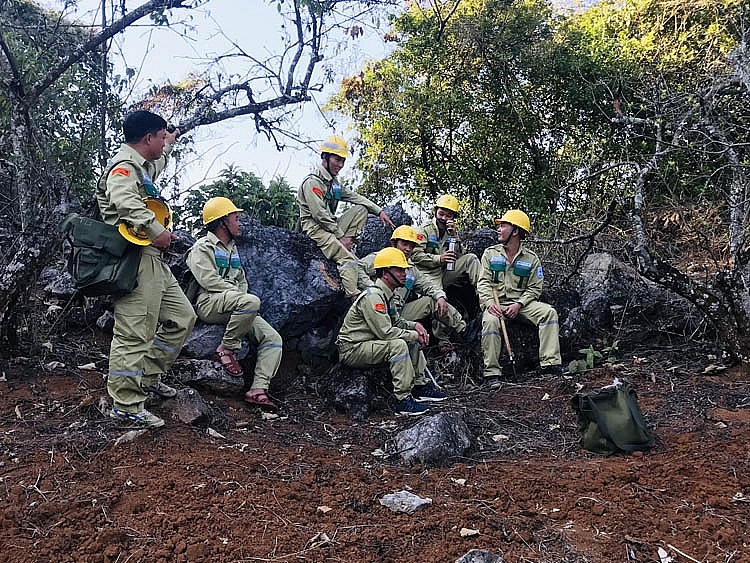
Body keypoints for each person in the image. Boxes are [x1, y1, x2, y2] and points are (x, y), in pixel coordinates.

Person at [96, 110, 197, 428]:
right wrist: (159, 233)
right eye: (161, 135)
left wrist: (171, 140)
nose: (164, 139)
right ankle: (125, 404)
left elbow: (158, 161)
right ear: (147, 138)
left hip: (152, 260)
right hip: (133, 258)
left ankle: (147, 378)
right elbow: (126, 202)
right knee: (134, 332)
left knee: (183, 318)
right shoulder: (123, 168)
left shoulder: (144, 166)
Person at [186, 197, 283, 411]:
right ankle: (226, 348)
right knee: (250, 301)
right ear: (222, 222)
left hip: (237, 304)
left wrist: (241, 298)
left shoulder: (232, 249)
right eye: (236, 218)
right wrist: (241, 298)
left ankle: (257, 389)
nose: (240, 223)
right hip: (210, 302)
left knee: (273, 338)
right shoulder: (202, 247)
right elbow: (208, 281)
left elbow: (242, 280)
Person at [337, 247, 448, 416]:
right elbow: (386, 333)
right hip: (352, 348)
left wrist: (414, 326)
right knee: (398, 345)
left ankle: (419, 386)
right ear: (385, 273)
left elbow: (396, 321)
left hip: (367, 343)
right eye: (399, 269)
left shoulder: (386, 295)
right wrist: (414, 335)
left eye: (404, 269)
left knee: (409, 338)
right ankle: (403, 401)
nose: (404, 273)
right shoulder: (374, 296)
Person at [297, 135, 396, 300]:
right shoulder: (312, 182)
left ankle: (348, 245)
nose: (341, 165)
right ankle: (354, 296)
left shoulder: (334, 183)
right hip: (315, 228)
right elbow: (320, 215)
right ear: (325, 157)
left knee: (361, 209)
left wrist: (379, 212)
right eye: (337, 159)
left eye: (343, 160)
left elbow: (355, 197)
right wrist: (340, 235)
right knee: (346, 257)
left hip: (331, 225)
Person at [477, 209, 563, 389]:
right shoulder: (490, 254)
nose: (498, 229)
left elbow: (535, 288)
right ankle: (492, 374)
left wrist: (519, 304)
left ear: (515, 231)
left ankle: (550, 364)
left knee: (549, 313)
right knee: (490, 323)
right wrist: (489, 303)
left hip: (521, 305)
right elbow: (483, 282)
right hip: (496, 305)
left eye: (503, 226)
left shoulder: (531, 259)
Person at [357, 225, 467, 353]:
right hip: (378, 313)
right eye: (404, 244)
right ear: (394, 243)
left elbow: (427, 285)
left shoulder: (411, 268)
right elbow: (358, 267)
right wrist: (373, 289)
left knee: (431, 301)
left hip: (398, 314)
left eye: (411, 246)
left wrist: (440, 296)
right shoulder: (382, 257)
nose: (408, 249)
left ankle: (464, 329)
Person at [411, 194, 481, 298]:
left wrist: (454, 236)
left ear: (453, 217)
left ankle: (483, 295)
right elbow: (415, 256)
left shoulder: (451, 231)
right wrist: (439, 259)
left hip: (445, 272)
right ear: (435, 212)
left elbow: (460, 255)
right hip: (428, 273)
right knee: (437, 298)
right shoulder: (424, 229)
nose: (443, 218)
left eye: (448, 215)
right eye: (441, 214)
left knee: (471, 259)